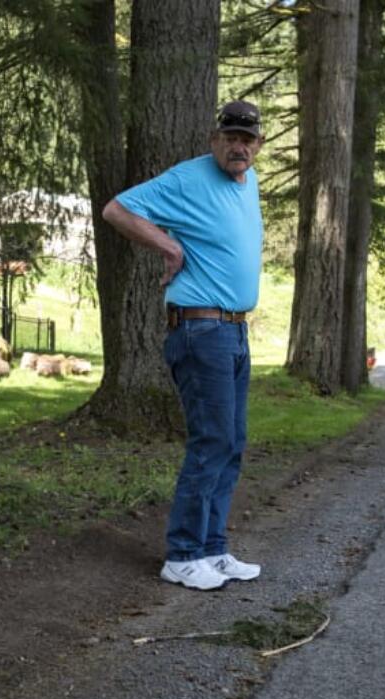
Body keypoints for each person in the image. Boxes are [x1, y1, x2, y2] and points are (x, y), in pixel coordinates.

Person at [102, 100, 267, 592]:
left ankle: (213, 548)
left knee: (232, 442)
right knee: (211, 440)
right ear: (215, 140)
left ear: (258, 145)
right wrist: (168, 246)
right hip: (201, 330)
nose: (238, 146)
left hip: (234, 330)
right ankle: (182, 554)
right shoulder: (187, 178)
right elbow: (117, 209)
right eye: (230, 137)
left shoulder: (248, 181)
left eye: (247, 139)